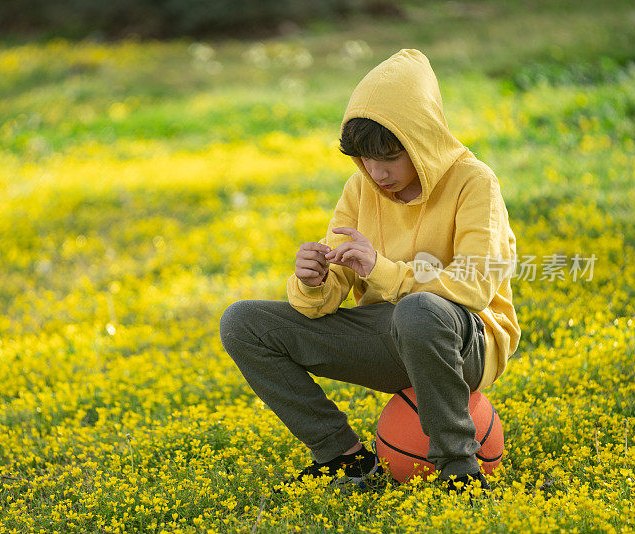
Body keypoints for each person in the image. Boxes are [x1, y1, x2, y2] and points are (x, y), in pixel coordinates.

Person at [219, 48, 521, 496]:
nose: (377, 173)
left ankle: (460, 468)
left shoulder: (474, 182)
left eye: (390, 157)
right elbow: (332, 291)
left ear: (421, 139)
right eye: (363, 160)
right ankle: (344, 458)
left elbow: (475, 284)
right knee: (243, 323)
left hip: (464, 341)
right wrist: (313, 280)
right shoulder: (361, 187)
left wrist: (384, 271)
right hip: (390, 335)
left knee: (418, 310)